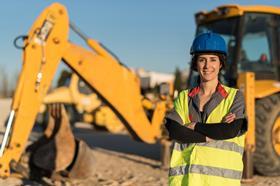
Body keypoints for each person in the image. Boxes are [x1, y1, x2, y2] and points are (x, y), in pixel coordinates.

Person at [165, 32, 247, 186]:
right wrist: (208, 136)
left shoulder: (234, 97)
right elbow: (174, 130)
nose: (207, 66)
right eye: (202, 60)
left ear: (221, 63)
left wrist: (195, 126)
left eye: (213, 60)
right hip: (186, 180)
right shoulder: (184, 97)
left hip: (220, 181)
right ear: (196, 64)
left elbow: (230, 131)